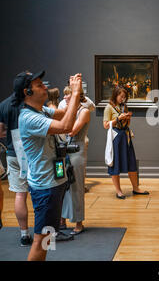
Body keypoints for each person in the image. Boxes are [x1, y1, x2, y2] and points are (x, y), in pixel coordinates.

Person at [16, 70, 83, 261]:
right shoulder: (29, 118)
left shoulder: (40, 111)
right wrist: (76, 94)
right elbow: (66, 126)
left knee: (48, 237)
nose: (44, 87)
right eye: (39, 85)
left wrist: (72, 99)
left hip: (52, 184)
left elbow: (63, 114)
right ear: (27, 92)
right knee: (41, 240)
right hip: (46, 188)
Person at [0, 92, 34, 246]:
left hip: (12, 153)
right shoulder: (31, 102)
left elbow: (0, 131)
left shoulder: (4, 104)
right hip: (32, 154)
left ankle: (24, 234)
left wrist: (12, 134)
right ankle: (45, 235)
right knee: (41, 194)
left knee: (20, 195)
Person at [103, 86, 149, 199]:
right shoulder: (109, 107)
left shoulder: (124, 107)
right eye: (121, 96)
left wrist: (127, 118)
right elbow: (105, 125)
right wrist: (118, 119)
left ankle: (136, 188)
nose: (123, 99)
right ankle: (118, 191)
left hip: (126, 136)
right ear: (115, 95)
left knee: (132, 163)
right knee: (116, 164)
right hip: (116, 138)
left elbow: (127, 125)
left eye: (124, 97)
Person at [60, 86, 90, 235]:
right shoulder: (67, 111)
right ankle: (62, 219)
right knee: (62, 187)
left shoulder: (84, 112)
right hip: (63, 153)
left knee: (76, 188)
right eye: (65, 95)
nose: (64, 98)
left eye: (68, 95)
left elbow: (71, 131)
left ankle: (79, 222)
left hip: (76, 153)